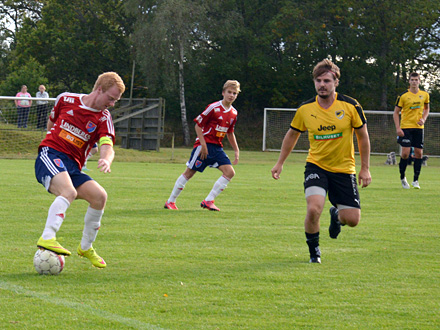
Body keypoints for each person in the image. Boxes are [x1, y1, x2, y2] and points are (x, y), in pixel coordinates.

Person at [271, 59, 372, 264]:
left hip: (344, 169)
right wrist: (280, 162)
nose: (322, 85)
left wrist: (365, 169)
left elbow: (363, 137)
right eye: (318, 80)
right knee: (314, 208)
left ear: (336, 82)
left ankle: (336, 215)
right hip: (316, 166)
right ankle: (314, 251)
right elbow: (292, 135)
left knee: (352, 220)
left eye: (326, 80)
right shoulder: (305, 109)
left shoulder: (351, 106)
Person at [34, 72, 125, 268]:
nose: (112, 104)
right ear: (99, 89)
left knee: (99, 197)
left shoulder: (103, 117)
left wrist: (106, 159)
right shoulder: (65, 99)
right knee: (69, 192)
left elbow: (107, 145)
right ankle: (48, 236)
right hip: (50, 155)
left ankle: (85, 247)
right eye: (110, 98)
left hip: (73, 165)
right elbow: (51, 124)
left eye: (115, 100)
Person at [164, 80, 241, 211]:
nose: (231, 95)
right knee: (189, 173)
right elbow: (198, 125)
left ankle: (209, 201)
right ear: (223, 92)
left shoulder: (234, 113)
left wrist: (236, 150)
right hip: (203, 146)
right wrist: (203, 145)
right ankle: (170, 202)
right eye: (229, 92)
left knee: (230, 172)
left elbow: (230, 132)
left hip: (217, 148)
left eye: (234, 93)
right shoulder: (213, 108)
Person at [393, 72, 430, 189]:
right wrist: (398, 128)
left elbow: (427, 109)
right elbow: (395, 112)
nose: (414, 82)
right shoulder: (403, 96)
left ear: (419, 81)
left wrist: (423, 119)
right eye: (412, 80)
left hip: (418, 128)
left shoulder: (424, 95)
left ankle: (415, 180)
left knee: (419, 153)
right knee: (405, 153)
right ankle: (403, 177)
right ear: (409, 81)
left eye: (416, 80)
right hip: (406, 127)